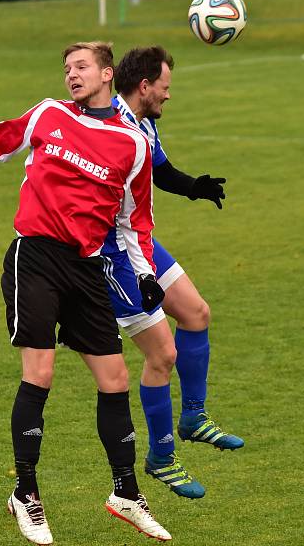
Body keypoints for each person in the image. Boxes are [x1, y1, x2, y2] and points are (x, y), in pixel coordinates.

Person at [0, 42, 171, 545]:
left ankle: (126, 493)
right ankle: (25, 493)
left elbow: (135, 223)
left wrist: (147, 274)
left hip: (87, 267)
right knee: (39, 373)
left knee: (115, 378)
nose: (71, 75)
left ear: (108, 74)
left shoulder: (132, 145)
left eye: (81, 67)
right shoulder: (47, 115)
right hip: (36, 258)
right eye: (67, 69)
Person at [102, 46, 244, 500]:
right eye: (164, 87)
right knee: (162, 356)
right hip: (114, 252)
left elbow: (159, 171)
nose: (168, 96)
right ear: (144, 86)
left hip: (141, 241)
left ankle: (193, 418)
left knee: (196, 313)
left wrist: (195, 189)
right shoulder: (109, 125)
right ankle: (161, 456)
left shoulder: (143, 123)